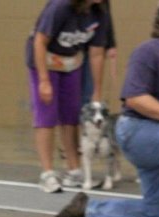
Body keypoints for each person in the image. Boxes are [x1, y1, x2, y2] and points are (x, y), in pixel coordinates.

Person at [53, 0, 159, 217]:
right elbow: (135, 98)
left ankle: (89, 209)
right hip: (137, 131)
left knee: (157, 211)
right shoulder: (149, 52)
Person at [26, 0, 109, 193]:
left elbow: (97, 54)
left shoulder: (99, 13)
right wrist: (44, 80)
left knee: (71, 115)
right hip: (45, 60)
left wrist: (97, 90)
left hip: (71, 62)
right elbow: (40, 40)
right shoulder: (61, 6)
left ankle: (74, 170)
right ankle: (47, 173)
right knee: (46, 114)